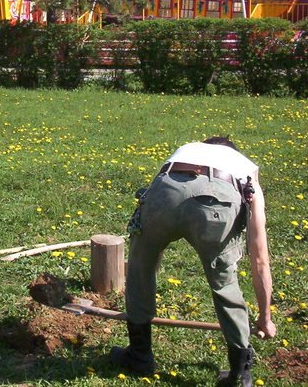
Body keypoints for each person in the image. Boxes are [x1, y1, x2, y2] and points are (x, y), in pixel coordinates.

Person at [111, 137, 276, 387]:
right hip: (218, 202)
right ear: (231, 151)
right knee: (224, 284)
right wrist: (265, 318)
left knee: (139, 268)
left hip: (166, 188)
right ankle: (240, 374)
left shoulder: (185, 151)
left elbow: (159, 193)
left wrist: (147, 263)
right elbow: (260, 257)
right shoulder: (244, 167)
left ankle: (139, 355)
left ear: (206, 145)